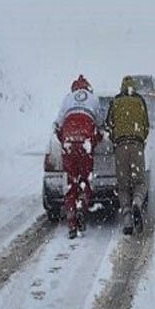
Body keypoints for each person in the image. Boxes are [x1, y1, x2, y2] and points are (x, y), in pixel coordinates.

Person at [55, 75, 102, 239]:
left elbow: (57, 125)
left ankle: (71, 222)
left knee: (71, 182)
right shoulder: (94, 99)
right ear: (88, 88)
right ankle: (82, 205)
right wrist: (95, 141)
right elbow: (100, 126)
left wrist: (65, 141)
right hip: (85, 142)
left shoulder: (67, 99)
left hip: (69, 142)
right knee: (85, 179)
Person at [106, 76, 150, 235]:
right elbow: (146, 126)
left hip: (120, 146)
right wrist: (140, 140)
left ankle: (127, 219)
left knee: (123, 185)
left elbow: (108, 124)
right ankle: (137, 202)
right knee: (139, 181)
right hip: (137, 145)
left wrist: (115, 139)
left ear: (122, 87)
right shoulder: (140, 101)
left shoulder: (116, 101)